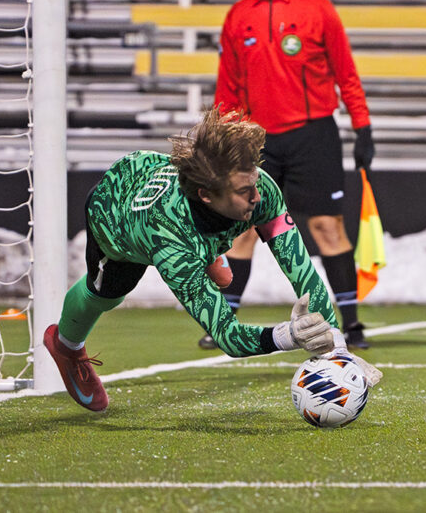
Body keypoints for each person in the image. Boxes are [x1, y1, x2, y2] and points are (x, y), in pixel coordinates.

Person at [43, 109, 381, 412]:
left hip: (167, 192)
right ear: (207, 195)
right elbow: (228, 337)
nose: (257, 195)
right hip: (117, 216)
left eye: (253, 182)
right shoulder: (171, 244)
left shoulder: (257, 188)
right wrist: (290, 335)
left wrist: (337, 347)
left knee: (220, 265)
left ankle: (211, 255)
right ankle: (67, 346)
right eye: (243, 191)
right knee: (107, 294)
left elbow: (302, 272)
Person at [205, 0, 375, 350]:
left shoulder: (317, 9)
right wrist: (218, 137)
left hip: (313, 133)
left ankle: (351, 323)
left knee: (326, 226)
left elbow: (346, 73)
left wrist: (363, 126)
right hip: (256, 140)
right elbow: (226, 86)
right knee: (243, 229)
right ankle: (223, 322)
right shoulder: (238, 15)